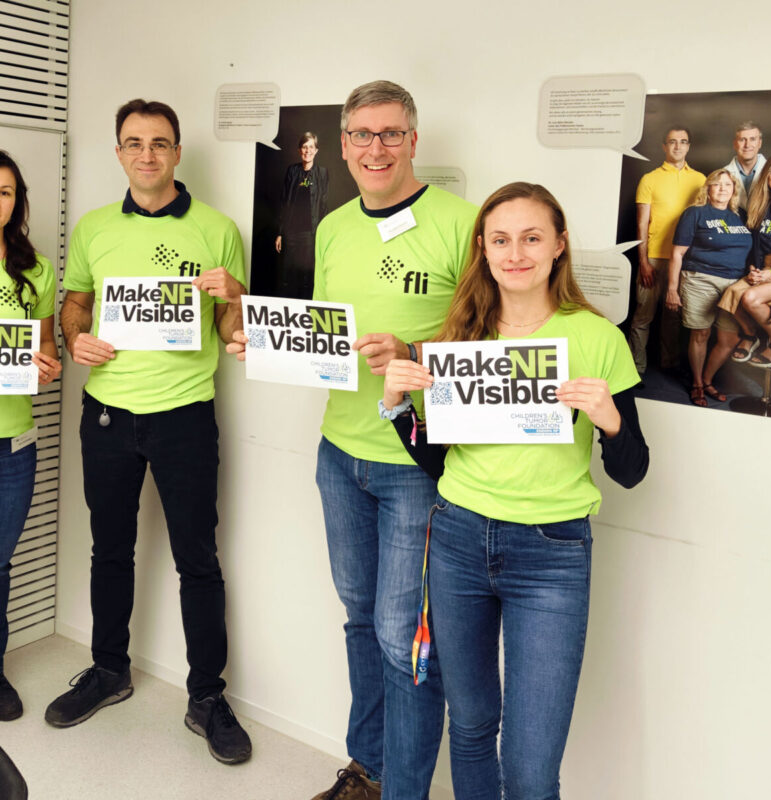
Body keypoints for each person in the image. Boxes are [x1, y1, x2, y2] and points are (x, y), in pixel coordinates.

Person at [229, 80, 476, 800]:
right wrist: (266, 347)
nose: (376, 147)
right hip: (339, 455)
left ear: (413, 140)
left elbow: (486, 336)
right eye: (362, 135)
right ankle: (367, 770)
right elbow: (323, 336)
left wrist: (415, 350)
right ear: (341, 145)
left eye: (390, 133)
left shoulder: (462, 222)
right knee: (361, 620)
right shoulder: (333, 226)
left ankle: (404, 788)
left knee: (405, 638)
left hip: (414, 461)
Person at [380, 182, 648, 800]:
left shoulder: (597, 338)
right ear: (483, 248)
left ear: (558, 246)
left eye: (532, 237)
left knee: (530, 770)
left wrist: (611, 420)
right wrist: (396, 407)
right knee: (471, 727)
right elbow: (435, 462)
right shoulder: (463, 333)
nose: (516, 252)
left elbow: (632, 470)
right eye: (501, 239)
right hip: (456, 540)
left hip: (551, 555)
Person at [46, 99, 252, 764]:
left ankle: (207, 697)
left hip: (185, 415)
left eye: (159, 143)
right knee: (110, 549)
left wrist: (239, 308)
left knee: (198, 559)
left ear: (177, 151)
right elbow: (75, 303)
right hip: (107, 414)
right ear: (118, 153)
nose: (146, 154)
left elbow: (230, 327)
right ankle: (110, 669)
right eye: (133, 143)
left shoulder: (218, 229)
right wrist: (76, 338)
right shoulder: (95, 227)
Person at [0, 150, 61, 721]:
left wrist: (48, 362)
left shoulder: (35, 269)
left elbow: (45, 346)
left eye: (6, 192)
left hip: (13, 440)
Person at [665, 169, 752, 406]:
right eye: (717, 184)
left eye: (728, 184)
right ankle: (697, 385)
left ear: (734, 189)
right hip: (699, 279)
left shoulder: (740, 216)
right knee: (701, 333)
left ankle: (707, 379)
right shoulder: (695, 213)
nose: (723, 188)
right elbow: (677, 253)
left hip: (734, 284)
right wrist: (672, 289)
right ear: (708, 189)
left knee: (729, 338)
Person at [629, 126, 705, 374]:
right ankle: (636, 367)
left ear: (688, 146)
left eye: (683, 141)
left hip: (683, 260)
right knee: (643, 316)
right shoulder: (649, 179)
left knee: (673, 318)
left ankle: (668, 364)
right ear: (664, 146)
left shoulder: (700, 180)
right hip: (653, 257)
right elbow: (641, 224)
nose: (678, 146)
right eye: (672, 141)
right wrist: (643, 262)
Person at [720, 152, 771, 367]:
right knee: (729, 294)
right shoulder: (761, 204)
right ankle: (750, 334)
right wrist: (754, 269)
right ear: (766, 175)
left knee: (750, 299)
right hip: (763, 270)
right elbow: (754, 245)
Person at [275, 131, 329, 298]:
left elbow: (323, 206)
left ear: (316, 150)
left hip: (311, 233)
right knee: (287, 274)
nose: (308, 151)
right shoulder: (292, 171)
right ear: (300, 150)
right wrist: (280, 233)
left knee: (307, 276)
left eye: (311, 147)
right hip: (291, 232)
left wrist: (322, 235)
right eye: (304, 147)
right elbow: (284, 202)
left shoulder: (322, 173)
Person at [722, 122, 766, 210]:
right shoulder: (723, 174)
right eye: (742, 140)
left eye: (752, 139)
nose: (747, 145)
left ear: (760, 143)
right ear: (735, 144)